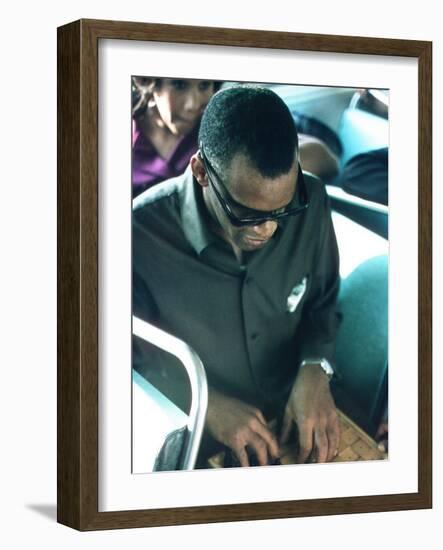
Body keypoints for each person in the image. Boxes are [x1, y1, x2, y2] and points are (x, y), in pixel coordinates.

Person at [133, 85, 342, 468]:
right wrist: (205, 404)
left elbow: (323, 304)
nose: (267, 230)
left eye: (282, 212)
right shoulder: (137, 237)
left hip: (293, 415)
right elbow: (121, 364)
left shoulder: (312, 202)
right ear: (201, 172)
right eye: (246, 214)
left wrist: (316, 367)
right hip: (196, 438)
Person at [132, 77, 221, 197]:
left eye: (204, 85)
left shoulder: (216, 137)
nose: (193, 105)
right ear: (150, 84)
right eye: (179, 85)